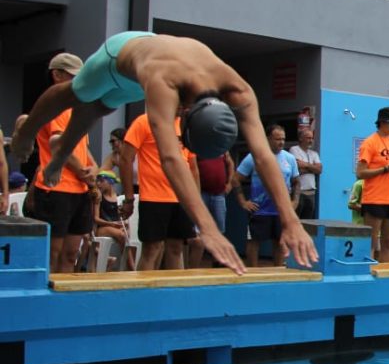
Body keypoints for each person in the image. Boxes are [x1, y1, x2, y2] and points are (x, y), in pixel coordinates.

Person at [9, 33, 316, 273]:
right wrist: (207, 228)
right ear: (186, 112)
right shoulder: (164, 81)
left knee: (100, 106)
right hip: (122, 56)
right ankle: (29, 131)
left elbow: (263, 156)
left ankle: (62, 151)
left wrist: (291, 221)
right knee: (80, 94)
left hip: (140, 73)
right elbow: (170, 158)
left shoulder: (240, 91)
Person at [28, 53, 96, 273]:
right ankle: (45, 299)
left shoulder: (77, 108)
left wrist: (93, 169)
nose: (78, 81)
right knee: (52, 252)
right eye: (72, 76)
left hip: (79, 189)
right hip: (55, 188)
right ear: (56, 75)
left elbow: (83, 148)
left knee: (71, 253)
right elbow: (59, 146)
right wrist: (84, 172)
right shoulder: (54, 104)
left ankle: (62, 301)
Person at [122, 112, 199, 271]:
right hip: (153, 197)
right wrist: (129, 197)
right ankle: (144, 294)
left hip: (181, 198)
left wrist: (195, 201)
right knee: (152, 249)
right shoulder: (145, 121)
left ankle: (172, 294)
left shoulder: (186, 125)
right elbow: (125, 158)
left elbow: (193, 167)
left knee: (176, 248)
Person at [235, 124, 299, 267]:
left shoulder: (290, 158)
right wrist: (243, 202)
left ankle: (277, 272)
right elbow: (236, 179)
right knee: (254, 242)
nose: (281, 142)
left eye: (283, 139)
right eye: (277, 139)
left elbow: (296, 182)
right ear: (268, 139)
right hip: (259, 209)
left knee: (280, 242)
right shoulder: (254, 157)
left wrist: (295, 201)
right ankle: (252, 274)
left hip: (280, 210)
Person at [356, 106, 389, 263]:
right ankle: (366, 274)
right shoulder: (370, 142)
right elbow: (360, 173)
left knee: (388, 242)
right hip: (375, 198)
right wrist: (384, 169)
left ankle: (387, 278)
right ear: (381, 122)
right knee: (371, 243)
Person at [289, 127, 322, 220]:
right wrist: (312, 168)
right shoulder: (294, 150)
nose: (310, 140)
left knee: (308, 222)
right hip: (299, 192)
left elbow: (319, 170)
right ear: (301, 138)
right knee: (296, 220)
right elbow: (297, 168)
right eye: (308, 138)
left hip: (311, 193)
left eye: (311, 138)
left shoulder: (314, 153)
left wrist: (305, 165)